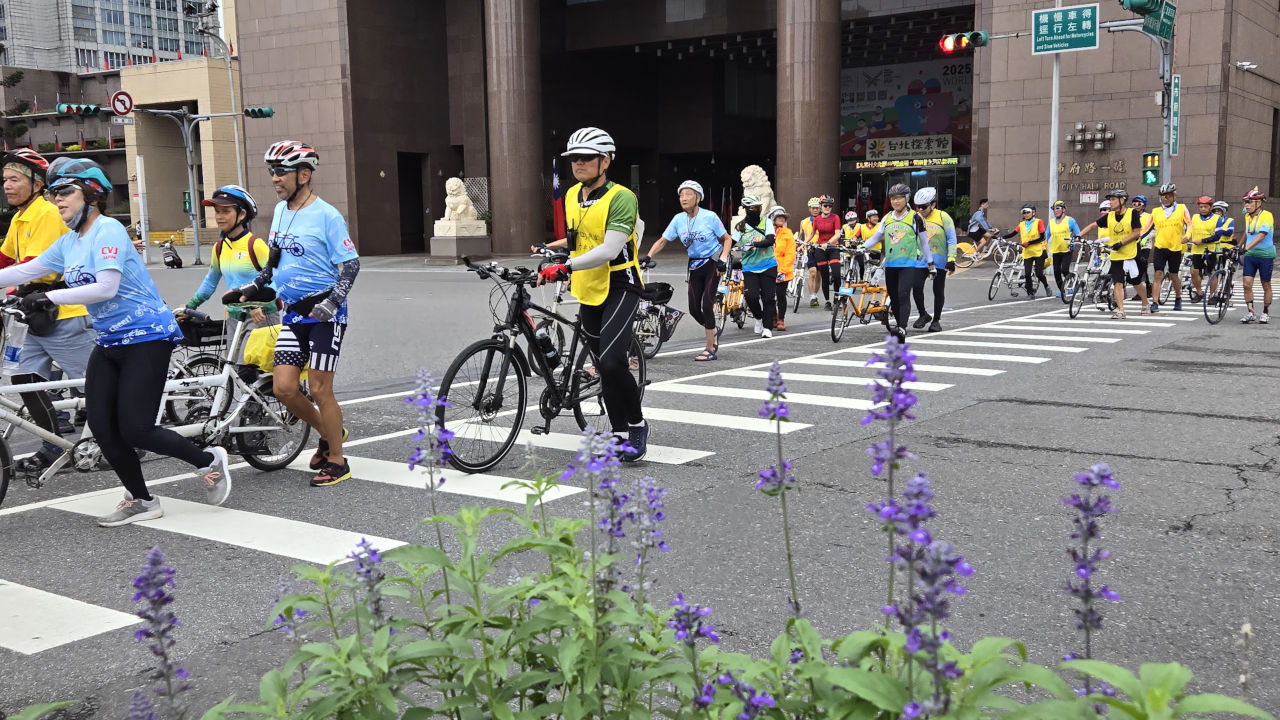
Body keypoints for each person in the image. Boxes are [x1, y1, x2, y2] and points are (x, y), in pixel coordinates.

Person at [0, 157, 233, 526]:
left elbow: (105, 286)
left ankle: (209, 461)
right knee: (103, 428)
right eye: (53, 193)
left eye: (64, 192)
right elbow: (26, 270)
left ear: (91, 195)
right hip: (110, 341)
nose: (56, 200)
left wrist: (49, 297)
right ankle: (143, 499)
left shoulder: (108, 230)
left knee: (135, 428)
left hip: (147, 336)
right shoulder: (70, 241)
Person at [236, 140, 360, 485]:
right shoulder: (281, 212)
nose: (274, 178)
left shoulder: (327, 216)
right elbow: (274, 260)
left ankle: (337, 460)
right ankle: (330, 432)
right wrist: (253, 287)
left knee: (320, 389)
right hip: (294, 314)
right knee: (285, 389)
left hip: (325, 315)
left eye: (281, 172)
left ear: (304, 175)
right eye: (271, 172)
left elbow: (350, 265)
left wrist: (331, 304)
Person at [536, 127, 648, 460]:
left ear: (605, 161)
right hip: (588, 285)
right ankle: (617, 432)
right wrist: (558, 259)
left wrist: (567, 267)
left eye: (587, 158)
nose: (579, 164)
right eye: (574, 158)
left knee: (613, 363)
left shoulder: (622, 197)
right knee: (601, 364)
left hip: (620, 284)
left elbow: (611, 249)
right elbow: (577, 239)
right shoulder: (572, 195)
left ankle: (637, 425)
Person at [0, 148, 97, 474]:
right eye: (4, 180)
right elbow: (5, 258)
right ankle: (53, 445)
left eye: (15, 179)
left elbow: (33, 267)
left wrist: (9, 287)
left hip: (64, 313)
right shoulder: (20, 217)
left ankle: (121, 442)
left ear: (37, 182)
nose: (7, 186)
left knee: (95, 382)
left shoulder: (45, 212)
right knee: (26, 382)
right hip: (32, 315)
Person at [644, 179, 731, 362]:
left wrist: (723, 260)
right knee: (693, 308)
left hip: (713, 262)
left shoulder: (710, 217)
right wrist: (649, 256)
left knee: (707, 305)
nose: (683, 198)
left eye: (688, 194)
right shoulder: (678, 219)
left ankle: (710, 347)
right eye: (681, 195)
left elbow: (727, 239)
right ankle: (712, 329)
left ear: (698, 198)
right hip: (694, 265)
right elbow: (662, 240)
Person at [177, 185, 278, 333]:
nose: (219, 216)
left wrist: (258, 303)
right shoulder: (219, 248)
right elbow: (210, 282)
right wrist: (190, 307)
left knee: (246, 357)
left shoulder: (255, 245)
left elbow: (277, 281)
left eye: (225, 211)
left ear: (242, 214)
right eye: (217, 211)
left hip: (261, 317)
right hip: (234, 317)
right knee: (231, 357)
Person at [860, 183, 927, 339]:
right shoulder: (887, 217)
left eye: (899, 198)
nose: (896, 202)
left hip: (909, 264)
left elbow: (924, 243)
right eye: (893, 199)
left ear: (907, 199)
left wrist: (930, 264)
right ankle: (898, 323)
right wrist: (863, 247)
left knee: (903, 294)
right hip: (890, 264)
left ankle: (902, 328)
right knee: (895, 297)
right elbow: (876, 236)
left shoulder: (915, 217)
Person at [1079, 188, 1148, 318]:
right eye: (1110, 200)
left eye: (1113, 199)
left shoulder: (1132, 213)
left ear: (1122, 200)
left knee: (1136, 282)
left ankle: (1145, 302)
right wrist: (1079, 235)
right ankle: (1121, 310)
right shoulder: (1110, 216)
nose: (1110, 202)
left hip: (1131, 253)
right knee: (1118, 282)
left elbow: (1136, 232)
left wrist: (1121, 243)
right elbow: (1093, 225)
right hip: (1116, 254)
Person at [731, 194, 778, 338]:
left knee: (768, 298)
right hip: (750, 267)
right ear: (746, 209)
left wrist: (753, 244)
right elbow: (731, 243)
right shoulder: (741, 227)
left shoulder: (766, 223)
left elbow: (770, 240)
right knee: (751, 296)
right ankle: (759, 318)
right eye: (754, 208)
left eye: (759, 207)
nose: (757, 210)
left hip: (768, 264)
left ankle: (768, 327)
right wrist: (721, 254)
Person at [909, 187, 956, 332]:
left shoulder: (943, 217)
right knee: (916, 286)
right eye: (918, 207)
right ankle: (923, 314)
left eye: (924, 207)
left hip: (939, 260)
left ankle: (936, 320)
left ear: (933, 204)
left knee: (938, 289)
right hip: (921, 260)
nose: (921, 210)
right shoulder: (915, 217)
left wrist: (951, 258)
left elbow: (952, 238)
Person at [1141, 183, 1191, 312]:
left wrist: (1187, 236)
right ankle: (1155, 302)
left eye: (1168, 196)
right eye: (1163, 196)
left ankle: (1178, 298)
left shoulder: (1181, 208)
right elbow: (1145, 229)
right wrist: (1138, 240)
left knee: (1174, 275)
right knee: (1158, 274)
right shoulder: (1156, 212)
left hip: (1175, 247)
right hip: (1160, 247)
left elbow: (1190, 224)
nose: (1166, 198)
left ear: (1174, 195)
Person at [1239, 186, 1274, 324]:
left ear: (1258, 204)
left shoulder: (1267, 216)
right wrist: (1239, 246)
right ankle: (1250, 312)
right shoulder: (1247, 216)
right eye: (1245, 202)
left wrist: (1246, 248)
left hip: (1265, 255)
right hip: (1250, 255)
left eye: (1249, 202)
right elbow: (1247, 232)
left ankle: (1265, 312)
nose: (1246, 205)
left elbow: (1260, 235)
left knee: (1266, 284)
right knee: (1246, 284)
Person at [1002, 204, 1050, 299]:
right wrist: (1000, 237)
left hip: (1038, 251)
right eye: (1024, 212)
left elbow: (1042, 237)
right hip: (1027, 252)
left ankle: (1046, 286)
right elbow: (1013, 234)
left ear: (1033, 212)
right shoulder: (1021, 224)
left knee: (1039, 273)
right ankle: (1030, 293)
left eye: (1028, 212)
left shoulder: (1038, 222)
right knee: (1027, 273)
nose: (1026, 214)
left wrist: (1030, 243)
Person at [806, 194, 842, 309]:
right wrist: (802, 244)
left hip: (833, 248)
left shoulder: (835, 217)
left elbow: (837, 234)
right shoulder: (817, 219)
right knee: (824, 276)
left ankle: (837, 298)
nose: (827, 207)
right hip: (820, 249)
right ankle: (827, 301)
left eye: (830, 206)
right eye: (825, 205)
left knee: (836, 274)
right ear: (821, 206)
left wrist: (829, 243)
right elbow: (812, 234)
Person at [1047, 200, 1082, 298]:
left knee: (1065, 270)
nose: (1055, 211)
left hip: (1067, 249)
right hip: (1056, 250)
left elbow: (1078, 233)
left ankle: (1073, 282)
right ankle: (1062, 291)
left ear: (1063, 210)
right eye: (1054, 209)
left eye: (1058, 208)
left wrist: (1075, 240)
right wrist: (1042, 244)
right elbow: (1047, 235)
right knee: (1057, 272)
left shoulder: (1070, 220)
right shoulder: (1051, 223)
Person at [1186, 196, 1219, 300]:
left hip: (1210, 251)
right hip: (1196, 250)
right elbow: (1190, 229)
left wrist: (1202, 241)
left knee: (1211, 273)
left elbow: (1217, 236)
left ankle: (1212, 295)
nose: (1203, 209)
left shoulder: (1217, 218)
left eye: (1205, 207)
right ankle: (1199, 293)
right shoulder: (1195, 217)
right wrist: (1186, 237)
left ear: (1210, 207)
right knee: (1194, 272)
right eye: (1201, 207)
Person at [770, 206, 795, 331]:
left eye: (783, 217)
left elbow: (790, 253)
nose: (781, 219)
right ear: (772, 218)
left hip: (783, 269)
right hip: (767, 268)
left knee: (780, 295)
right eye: (778, 217)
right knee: (768, 296)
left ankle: (781, 319)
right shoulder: (766, 232)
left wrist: (782, 270)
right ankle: (773, 316)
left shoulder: (787, 233)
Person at [1128, 194, 1154, 300]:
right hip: (1132, 245)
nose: (1136, 206)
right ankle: (1147, 288)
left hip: (1145, 246)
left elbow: (1154, 230)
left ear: (1143, 206)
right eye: (1134, 203)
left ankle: (1143, 290)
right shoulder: (1129, 215)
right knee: (1137, 268)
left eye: (1139, 204)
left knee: (1141, 266)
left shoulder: (1148, 217)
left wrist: (1145, 237)